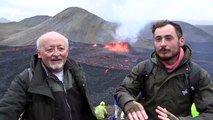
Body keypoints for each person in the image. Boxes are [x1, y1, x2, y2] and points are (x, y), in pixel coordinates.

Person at [114, 20, 213, 120]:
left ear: (181, 41)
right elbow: (123, 90)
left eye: (168, 38)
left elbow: (210, 113)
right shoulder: (143, 68)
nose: (163, 44)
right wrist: (128, 102)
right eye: (158, 39)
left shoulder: (197, 74)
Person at [0, 31, 97, 120]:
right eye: (50, 49)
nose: (56, 53)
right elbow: (8, 109)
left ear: (67, 52)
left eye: (61, 48)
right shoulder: (27, 78)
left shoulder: (76, 72)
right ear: (39, 54)